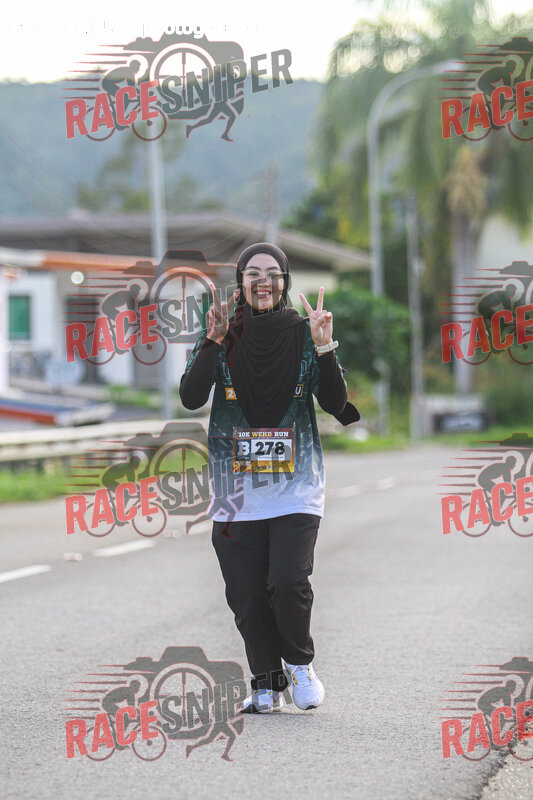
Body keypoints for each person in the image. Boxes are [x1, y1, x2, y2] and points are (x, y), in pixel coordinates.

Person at [179, 243, 358, 714]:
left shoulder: (304, 333)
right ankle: (265, 683)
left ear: (285, 281)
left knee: (288, 581)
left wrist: (324, 346)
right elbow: (191, 396)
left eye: (273, 273)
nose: (264, 282)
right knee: (246, 593)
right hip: (235, 492)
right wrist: (212, 340)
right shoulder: (222, 332)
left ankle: (299, 664)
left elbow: (336, 404)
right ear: (240, 281)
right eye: (253, 273)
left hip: (297, 487)